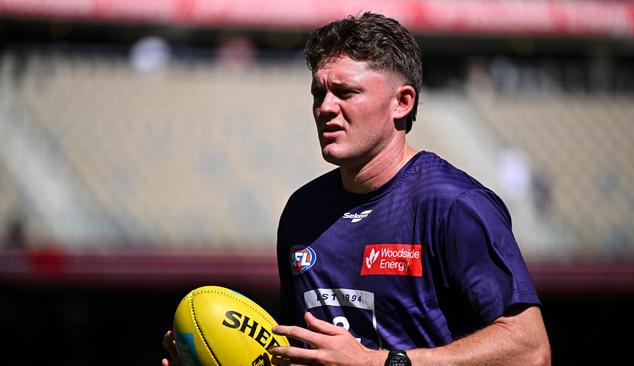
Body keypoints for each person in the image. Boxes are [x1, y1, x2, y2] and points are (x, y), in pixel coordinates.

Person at [163, 11, 550, 366]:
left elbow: (531, 351)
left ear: (402, 102)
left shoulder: (454, 205)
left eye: (346, 92)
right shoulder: (303, 211)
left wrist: (380, 363)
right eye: (319, 93)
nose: (325, 107)